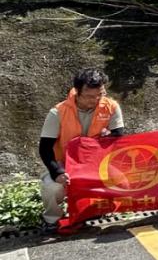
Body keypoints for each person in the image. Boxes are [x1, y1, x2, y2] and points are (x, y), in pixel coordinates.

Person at [39, 68, 126, 232]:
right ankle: (51, 219)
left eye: (100, 95)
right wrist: (57, 172)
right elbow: (45, 148)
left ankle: (95, 211)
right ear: (77, 92)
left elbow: (118, 136)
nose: (96, 100)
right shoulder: (57, 112)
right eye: (90, 96)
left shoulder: (111, 107)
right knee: (52, 188)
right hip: (65, 163)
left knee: (123, 182)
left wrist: (108, 138)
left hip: (96, 162)